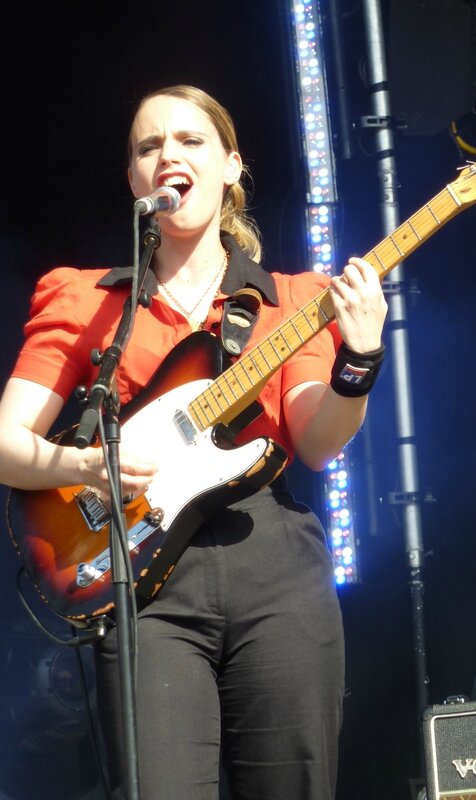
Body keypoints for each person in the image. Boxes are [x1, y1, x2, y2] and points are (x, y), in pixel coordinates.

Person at [0, 84, 388, 800]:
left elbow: (315, 438)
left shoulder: (290, 300)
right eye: (148, 147)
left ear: (232, 167)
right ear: (133, 181)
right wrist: (86, 464)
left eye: (189, 141)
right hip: (143, 578)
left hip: (273, 568)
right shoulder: (86, 300)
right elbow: (6, 443)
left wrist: (357, 363)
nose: (167, 156)